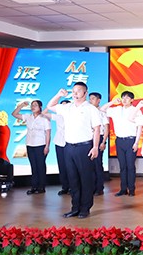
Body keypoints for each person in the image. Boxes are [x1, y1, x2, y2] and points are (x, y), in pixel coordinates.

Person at [46, 82, 101, 219]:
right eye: (73, 91)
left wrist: (95, 147)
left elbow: (97, 129)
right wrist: (59, 95)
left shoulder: (91, 109)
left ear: (85, 93)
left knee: (85, 179)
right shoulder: (67, 107)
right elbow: (50, 106)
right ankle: (75, 208)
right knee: (73, 179)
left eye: (79, 91)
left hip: (84, 147)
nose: (75, 93)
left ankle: (85, 208)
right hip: (69, 147)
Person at [101, 91, 143, 197]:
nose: (124, 100)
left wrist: (136, 142)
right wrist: (112, 102)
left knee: (130, 166)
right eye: (123, 97)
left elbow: (139, 128)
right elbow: (102, 109)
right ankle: (123, 189)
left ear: (132, 100)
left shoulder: (136, 110)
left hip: (131, 140)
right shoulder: (116, 109)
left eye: (127, 98)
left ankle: (131, 189)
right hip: (119, 141)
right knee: (122, 166)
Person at [11, 100, 50, 195]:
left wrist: (47, 146)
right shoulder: (28, 117)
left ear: (40, 107)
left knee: (40, 166)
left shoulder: (44, 118)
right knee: (33, 166)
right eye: (32, 105)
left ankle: (41, 187)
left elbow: (48, 133)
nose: (33, 107)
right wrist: (21, 105)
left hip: (40, 145)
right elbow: (14, 114)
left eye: (35, 105)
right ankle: (34, 186)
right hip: (30, 145)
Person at [88, 92, 109, 196]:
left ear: (98, 100)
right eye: (90, 99)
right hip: (88, 139)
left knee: (97, 164)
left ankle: (99, 188)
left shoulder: (101, 113)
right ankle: (91, 187)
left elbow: (106, 128)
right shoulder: (87, 111)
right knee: (89, 165)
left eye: (93, 98)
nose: (90, 100)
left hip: (99, 138)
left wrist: (103, 142)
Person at [52, 109, 70, 195]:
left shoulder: (73, 116)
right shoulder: (58, 117)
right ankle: (65, 187)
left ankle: (72, 187)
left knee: (70, 167)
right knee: (61, 166)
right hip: (59, 143)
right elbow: (44, 113)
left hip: (69, 143)